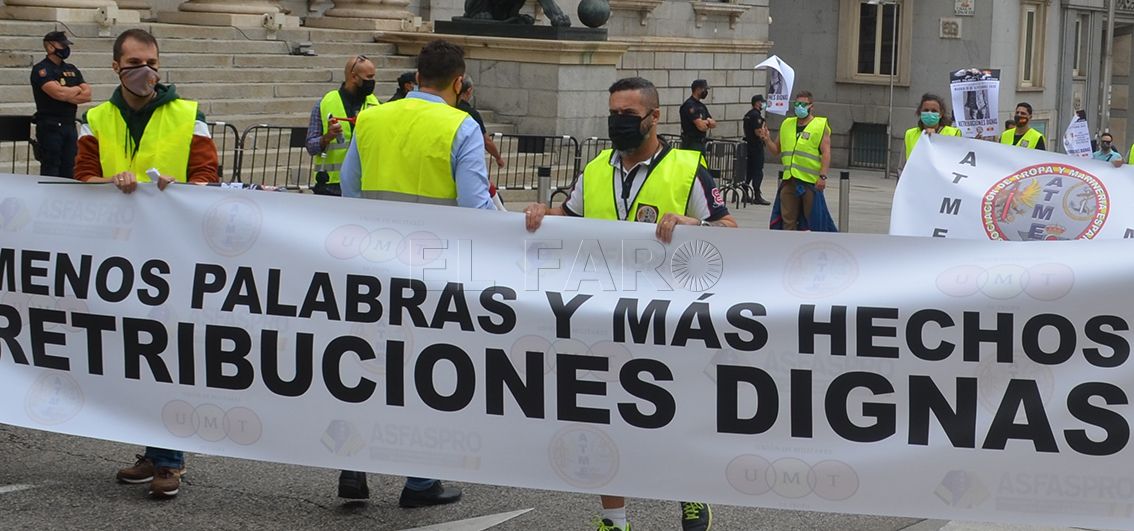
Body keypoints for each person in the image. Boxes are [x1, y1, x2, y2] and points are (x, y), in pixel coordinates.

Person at [523, 76, 736, 531]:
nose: (618, 123)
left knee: (675, 413)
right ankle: (614, 519)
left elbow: (731, 230)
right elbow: (571, 216)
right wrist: (544, 212)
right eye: (613, 114)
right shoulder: (597, 168)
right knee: (604, 416)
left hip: (669, 317)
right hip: (602, 315)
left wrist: (692, 222)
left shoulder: (687, 167)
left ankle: (692, 495)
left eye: (627, 115)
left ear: (654, 117)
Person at [339, 39, 495, 507]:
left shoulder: (372, 118)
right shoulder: (460, 125)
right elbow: (474, 205)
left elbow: (350, 188)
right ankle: (420, 480)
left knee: (369, 365)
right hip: (435, 269)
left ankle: (353, 464)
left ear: (417, 75)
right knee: (430, 372)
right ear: (459, 82)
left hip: (374, 263)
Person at [74, 28, 219, 498]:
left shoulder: (188, 115)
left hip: (173, 254)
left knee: (168, 351)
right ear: (116, 67)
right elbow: (82, 177)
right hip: (120, 254)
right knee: (137, 352)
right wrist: (105, 181)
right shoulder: (96, 117)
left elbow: (206, 178)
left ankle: (170, 460)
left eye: (152, 61)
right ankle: (154, 453)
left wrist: (179, 186)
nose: (146, 71)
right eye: (135, 62)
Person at [305, 55, 380, 196]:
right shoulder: (325, 104)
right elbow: (310, 146)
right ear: (353, 77)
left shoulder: (376, 105)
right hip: (331, 185)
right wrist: (327, 137)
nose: (372, 82)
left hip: (365, 183)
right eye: (369, 77)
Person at [757, 90, 831, 231]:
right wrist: (767, 139)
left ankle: (811, 248)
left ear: (811, 106)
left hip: (810, 181)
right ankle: (787, 248)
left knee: (812, 219)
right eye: (797, 104)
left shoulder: (820, 125)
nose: (799, 107)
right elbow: (776, 150)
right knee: (787, 219)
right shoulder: (787, 124)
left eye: (803, 104)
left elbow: (826, 153)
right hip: (789, 180)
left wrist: (822, 176)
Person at [30, 31, 90, 179]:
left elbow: (87, 95)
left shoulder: (71, 68)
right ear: (50, 47)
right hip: (50, 126)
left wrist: (67, 92)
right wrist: (75, 89)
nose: (65, 48)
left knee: (70, 168)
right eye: (62, 45)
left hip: (69, 124)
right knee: (51, 169)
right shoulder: (42, 70)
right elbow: (58, 94)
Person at [457, 76, 505, 169]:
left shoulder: (448, 107)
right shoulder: (472, 114)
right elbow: (486, 141)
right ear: (469, 90)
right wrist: (498, 157)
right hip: (465, 159)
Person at [903, 93, 962, 163]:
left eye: (934, 111)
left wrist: (934, 138)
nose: (929, 113)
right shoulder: (910, 134)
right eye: (926, 110)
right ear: (920, 112)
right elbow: (902, 165)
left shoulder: (954, 133)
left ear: (941, 114)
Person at [741, 94, 770, 205]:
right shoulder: (756, 115)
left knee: (749, 171)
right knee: (758, 171)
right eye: (762, 102)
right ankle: (757, 195)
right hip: (756, 147)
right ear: (757, 103)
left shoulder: (748, 114)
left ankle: (745, 193)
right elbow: (758, 132)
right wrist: (765, 135)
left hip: (749, 146)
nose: (763, 104)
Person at [679, 79, 716, 153]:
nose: (706, 92)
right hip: (691, 144)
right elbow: (701, 126)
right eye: (704, 89)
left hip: (701, 144)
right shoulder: (689, 105)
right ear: (698, 89)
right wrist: (706, 122)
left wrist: (705, 122)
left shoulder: (701, 106)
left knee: (701, 164)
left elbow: (713, 124)